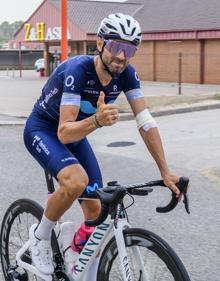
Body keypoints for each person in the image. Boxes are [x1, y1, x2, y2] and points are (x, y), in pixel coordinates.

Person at [23, 13, 181, 277]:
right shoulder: (78, 70)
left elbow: (145, 121)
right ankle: (40, 235)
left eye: (129, 49)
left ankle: (76, 255)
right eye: (116, 46)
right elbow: (63, 133)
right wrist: (96, 120)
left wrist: (165, 171)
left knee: (96, 209)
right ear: (100, 43)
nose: (121, 56)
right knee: (75, 181)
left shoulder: (127, 74)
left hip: (77, 132)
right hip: (44, 129)